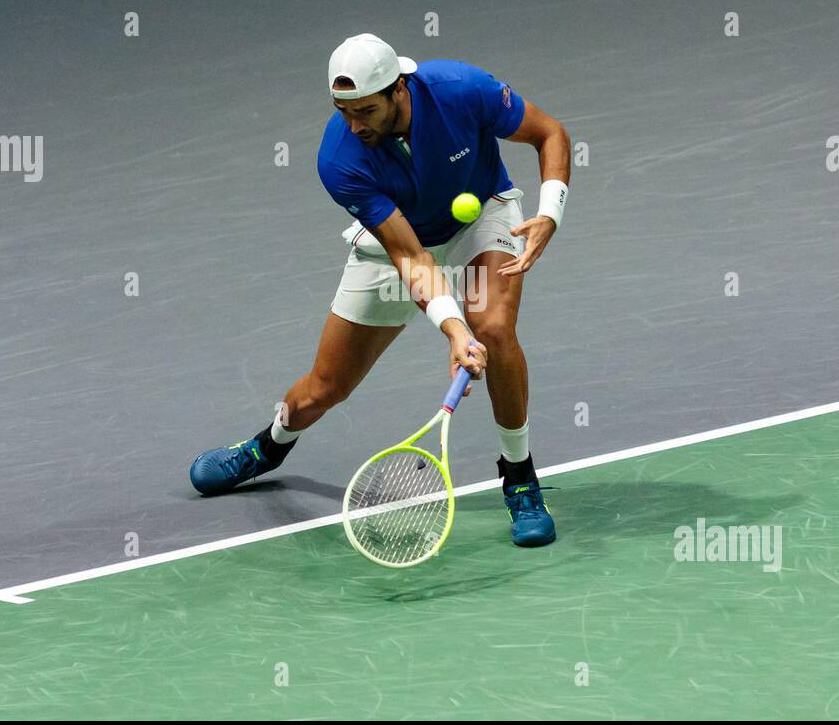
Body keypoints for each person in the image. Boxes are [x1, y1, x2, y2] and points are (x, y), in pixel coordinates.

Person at [190, 34, 571, 546]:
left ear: (399, 89)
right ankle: (269, 445)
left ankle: (520, 478)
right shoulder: (340, 159)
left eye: (365, 109)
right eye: (342, 110)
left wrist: (550, 212)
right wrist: (453, 329)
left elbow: (549, 133)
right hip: (398, 244)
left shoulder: (461, 88)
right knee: (326, 387)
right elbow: (412, 257)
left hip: (481, 217)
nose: (354, 124)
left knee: (496, 329)